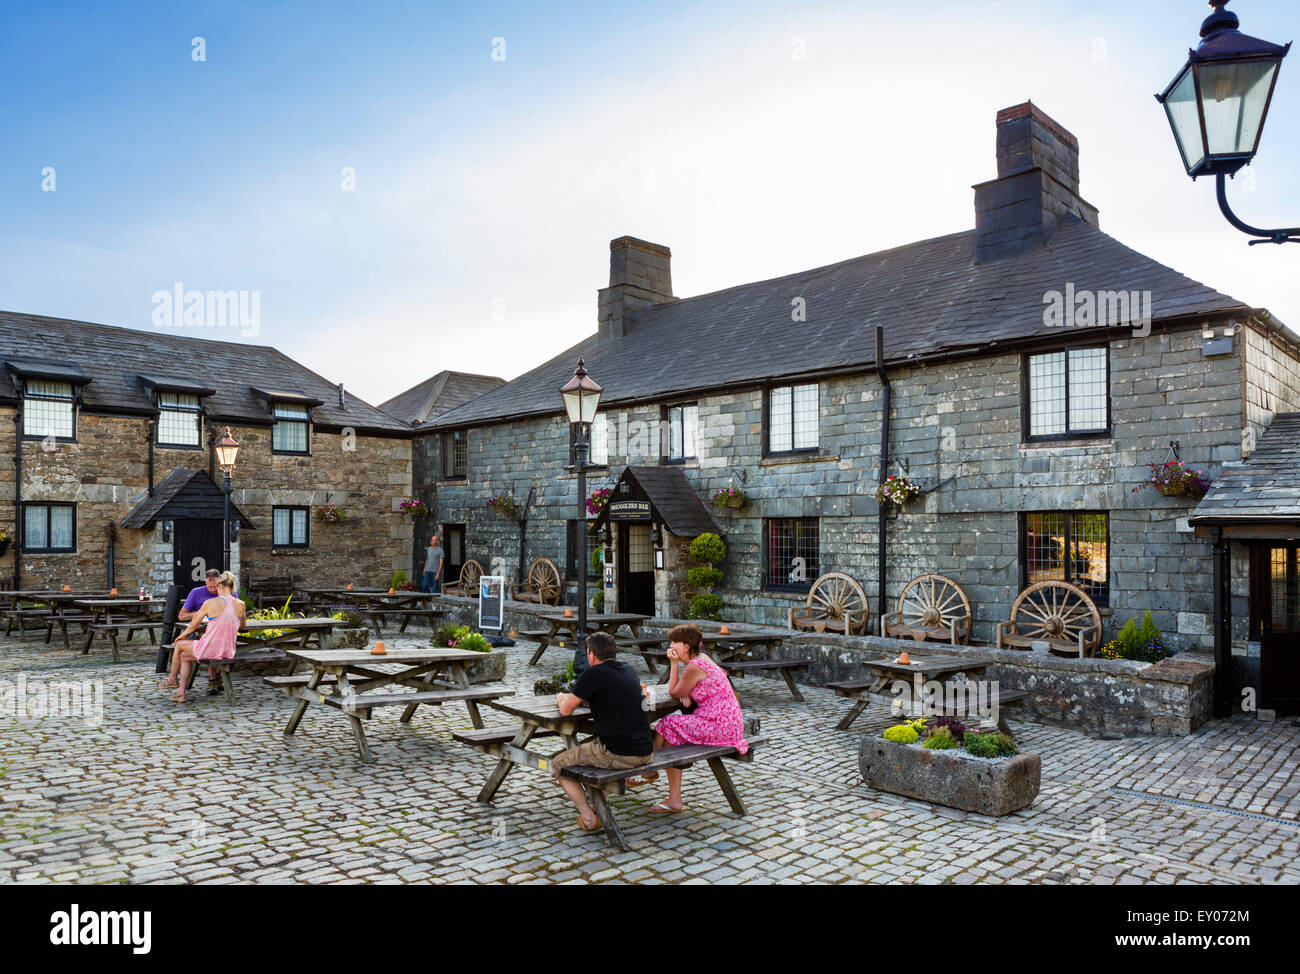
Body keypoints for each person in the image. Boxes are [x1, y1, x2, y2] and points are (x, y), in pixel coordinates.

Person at [627, 623, 748, 812]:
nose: (671, 647)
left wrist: (674, 666)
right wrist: (689, 690)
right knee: (671, 739)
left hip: (718, 725)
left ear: (685, 646)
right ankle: (674, 800)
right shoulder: (704, 658)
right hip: (730, 723)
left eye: (674, 642)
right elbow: (707, 683)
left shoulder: (694, 666)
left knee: (668, 723)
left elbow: (674, 692)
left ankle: (649, 770)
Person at [550, 631, 653, 831]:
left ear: (591, 655)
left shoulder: (592, 674)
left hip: (620, 753)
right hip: (646, 751)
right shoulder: (628, 670)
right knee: (597, 750)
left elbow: (565, 709)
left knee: (558, 764)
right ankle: (596, 805)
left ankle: (589, 817)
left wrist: (561, 697)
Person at [159, 572, 246, 703]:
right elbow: (243, 625)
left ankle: (172, 679)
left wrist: (182, 635)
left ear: (220, 585)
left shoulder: (210, 603)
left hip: (210, 649)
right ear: (232, 587)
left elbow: (194, 625)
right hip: (228, 650)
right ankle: (180, 693)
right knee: (184, 656)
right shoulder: (241, 604)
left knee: (179, 645)